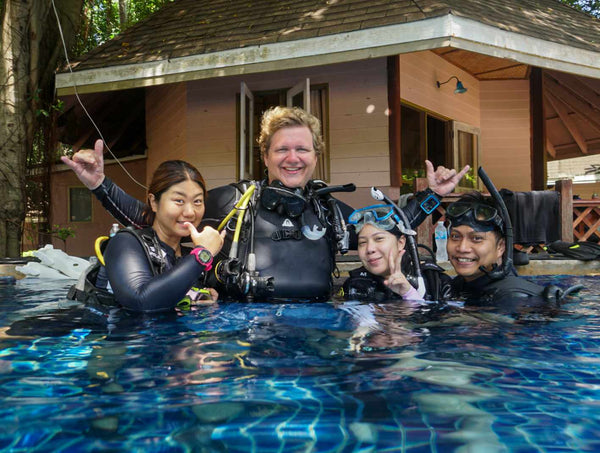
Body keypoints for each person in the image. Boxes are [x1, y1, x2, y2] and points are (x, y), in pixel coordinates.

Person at [61, 106, 468, 302]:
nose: (293, 158)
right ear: (266, 155)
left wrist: (433, 196)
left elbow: (387, 231)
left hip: (320, 325)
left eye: (303, 149)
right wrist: (100, 184)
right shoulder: (235, 201)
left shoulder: (329, 210)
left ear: (316, 155)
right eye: (282, 149)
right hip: (243, 330)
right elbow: (160, 219)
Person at [68, 160, 225, 312]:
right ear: (154, 202)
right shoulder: (125, 243)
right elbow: (140, 302)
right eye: (179, 200)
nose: (190, 212)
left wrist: (200, 295)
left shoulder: (187, 257)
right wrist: (202, 254)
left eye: (197, 201)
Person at [444, 191, 566, 306]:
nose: (462, 248)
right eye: (455, 236)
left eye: (476, 238)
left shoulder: (515, 297)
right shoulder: (459, 285)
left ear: (500, 247)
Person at [340, 204, 450, 301]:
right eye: (362, 242)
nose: (369, 249)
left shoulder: (436, 282)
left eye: (379, 239)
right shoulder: (353, 285)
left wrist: (408, 293)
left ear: (401, 242)